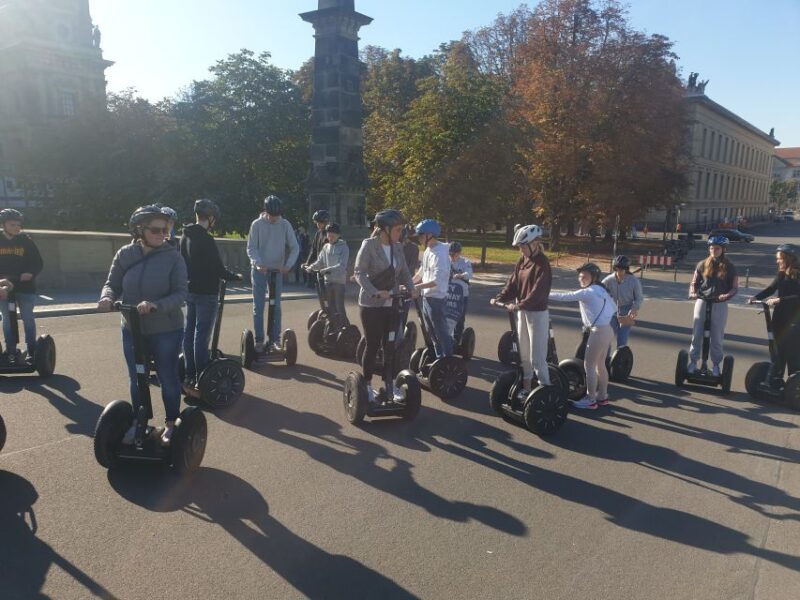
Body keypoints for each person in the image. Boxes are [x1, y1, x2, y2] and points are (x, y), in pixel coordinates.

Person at [98, 206, 188, 445]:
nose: (162, 234)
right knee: (137, 377)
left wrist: (156, 305)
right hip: (132, 328)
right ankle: (140, 422)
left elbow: (181, 294)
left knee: (167, 376)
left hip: (166, 329)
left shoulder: (173, 257)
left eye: (165, 230)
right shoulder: (125, 254)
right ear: (139, 230)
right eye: (156, 230)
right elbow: (112, 283)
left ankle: (171, 423)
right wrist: (107, 297)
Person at [179, 199, 242, 396]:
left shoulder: (185, 236)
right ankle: (201, 377)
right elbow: (218, 268)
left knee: (189, 334)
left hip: (190, 291)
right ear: (211, 218)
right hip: (207, 293)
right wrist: (235, 276)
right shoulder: (206, 239)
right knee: (201, 336)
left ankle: (189, 375)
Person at [354, 209, 416, 402]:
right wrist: (375, 291)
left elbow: (404, 272)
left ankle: (389, 385)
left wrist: (412, 288)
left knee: (390, 345)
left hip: (392, 303)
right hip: (371, 305)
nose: (400, 233)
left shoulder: (397, 247)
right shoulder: (369, 245)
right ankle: (367, 384)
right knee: (373, 345)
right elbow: (359, 273)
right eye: (397, 229)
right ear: (385, 229)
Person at [491, 224, 553, 396]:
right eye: (520, 246)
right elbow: (512, 284)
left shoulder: (542, 263)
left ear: (535, 244)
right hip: (522, 311)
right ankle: (527, 388)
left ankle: (546, 391)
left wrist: (520, 305)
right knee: (523, 354)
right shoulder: (521, 261)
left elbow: (538, 292)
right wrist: (500, 298)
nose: (521, 250)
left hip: (537, 314)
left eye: (523, 246)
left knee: (537, 358)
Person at [549, 263, 617, 409]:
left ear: (594, 277)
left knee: (589, 365)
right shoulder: (601, 290)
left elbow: (564, 296)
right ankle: (602, 396)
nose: (581, 279)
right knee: (600, 365)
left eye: (585, 276)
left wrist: (543, 293)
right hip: (607, 330)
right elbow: (614, 308)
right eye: (580, 276)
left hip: (598, 332)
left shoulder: (588, 292)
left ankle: (591, 399)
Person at [246, 195, 299, 353]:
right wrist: (257, 262)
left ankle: (275, 340)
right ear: (265, 211)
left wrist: (288, 265)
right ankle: (259, 340)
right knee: (259, 306)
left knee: (276, 307)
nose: (274, 219)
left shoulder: (285, 224)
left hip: (277, 271)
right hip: (259, 270)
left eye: (277, 215)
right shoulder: (256, 224)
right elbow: (251, 247)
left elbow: (295, 247)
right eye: (271, 215)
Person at [748, 244, 800, 384]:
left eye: (779, 258)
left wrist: (780, 299)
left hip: (794, 319)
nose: (777, 261)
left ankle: (794, 384)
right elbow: (771, 288)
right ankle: (776, 378)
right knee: (777, 349)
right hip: (779, 317)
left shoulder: (798, 274)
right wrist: (755, 297)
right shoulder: (781, 274)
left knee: (792, 352)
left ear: (789, 258)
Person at [687, 235, 738, 375]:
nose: (713, 251)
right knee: (697, 332)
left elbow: (734, 287)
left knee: (717, 335)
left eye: (717, 248)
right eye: (711, 248)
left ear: (723, 250)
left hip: (719, 303)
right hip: (702, 301)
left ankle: (715, 365)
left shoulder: (730, 267)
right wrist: (692, 292)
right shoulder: (702, 264)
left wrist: (727, 295)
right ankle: (693, 362)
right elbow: (694, 283)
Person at [0, 209, 44, 363]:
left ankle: (32, 351)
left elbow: (38, 262)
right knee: (7, 319)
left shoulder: (26, 240)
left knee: (27, 318)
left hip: (25, 286)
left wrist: (30, 272)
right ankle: (10, 351)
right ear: (3, 225)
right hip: (4, 287)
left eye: (18, 225)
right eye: (12, 225)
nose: (16, 228)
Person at [412, 219, 453, 358]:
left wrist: (417, 287)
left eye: (420, 235)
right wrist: (408, 284)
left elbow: (436, 281)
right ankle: (439, 357)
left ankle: (447, 360)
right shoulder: (428, 250)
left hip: (437, 299)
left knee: (440, 332)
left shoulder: (440, 254)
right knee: (431, 332)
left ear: (429, 234)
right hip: (427, 297)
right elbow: (421, 273)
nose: (418, 238)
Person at [305, 222, 350, 328]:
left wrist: (326, 270)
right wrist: (310, 267)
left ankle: (345, 328)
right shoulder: (326, 247)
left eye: (332, 236)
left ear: (338, 235)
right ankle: (334, 327)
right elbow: (319, 262)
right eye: (328, 236)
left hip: (339, 282)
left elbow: (342, 266)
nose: (330, 238)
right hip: (327, 281)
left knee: (339, 307)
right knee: (330, 307)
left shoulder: (344, 248)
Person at [602, 255, 644, 351]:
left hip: (626, 311)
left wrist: (634, 308)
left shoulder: (634, 281)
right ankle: (605, 358)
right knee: (607, 337)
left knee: (622, 340)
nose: (620, 271)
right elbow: (599, 290)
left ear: (626, 268)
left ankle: (619, 358)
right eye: (617, 268)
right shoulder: (608, 280)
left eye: (622, 268)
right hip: (612, 310)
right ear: (614, 268)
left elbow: (639, 298)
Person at [448, 241, 473, 346]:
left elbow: (469, 274)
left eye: (455, 254)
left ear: (459, 253)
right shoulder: (447, 262)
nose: (452, 257)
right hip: (448, 294)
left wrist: (461, 275)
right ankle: (445, 337)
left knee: (460, 317)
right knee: (447, 315)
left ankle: (457, 340)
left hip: (462, 295)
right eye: (450, 254)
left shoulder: (465, 262)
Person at [305, 209, 330, 289]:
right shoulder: (318, 233)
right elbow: (314, 249)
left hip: (329, 266)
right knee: (320, 289)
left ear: (325, 222)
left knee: (329, 290)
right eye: (317, 223)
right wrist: (308, 263)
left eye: (320, 223)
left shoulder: (331, 233)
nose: (318, 225)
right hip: (319, 265)